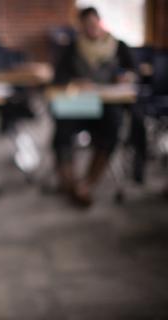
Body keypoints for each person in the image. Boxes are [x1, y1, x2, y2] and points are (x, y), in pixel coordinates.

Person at [52, 7, 136, 206]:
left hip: (108, 105)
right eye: (86, 25)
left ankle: (88, 182)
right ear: (80, 27)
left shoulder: (118, 46)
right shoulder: (72, 48)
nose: (91, 28)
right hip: (80, 105)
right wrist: (74, 82)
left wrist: (124, 77)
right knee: (61, 126)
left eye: (93, 24)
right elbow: (58, 78)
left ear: (100, 22)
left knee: (113, 127)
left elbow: (134, 73)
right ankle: (69, 181)